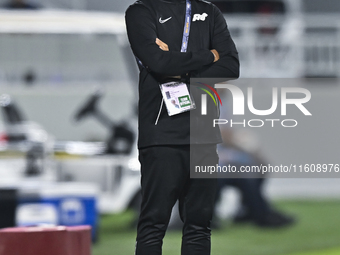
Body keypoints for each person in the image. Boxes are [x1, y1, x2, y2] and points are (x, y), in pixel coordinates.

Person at [125, 0, 239, 254]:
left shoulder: (209, 12)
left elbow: (231, 65)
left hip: (204, 136)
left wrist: (177, 64)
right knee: (154, 224)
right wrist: (209, 55)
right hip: (162, 135)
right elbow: (158, 62)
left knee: (200, 225)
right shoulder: (141, 11)